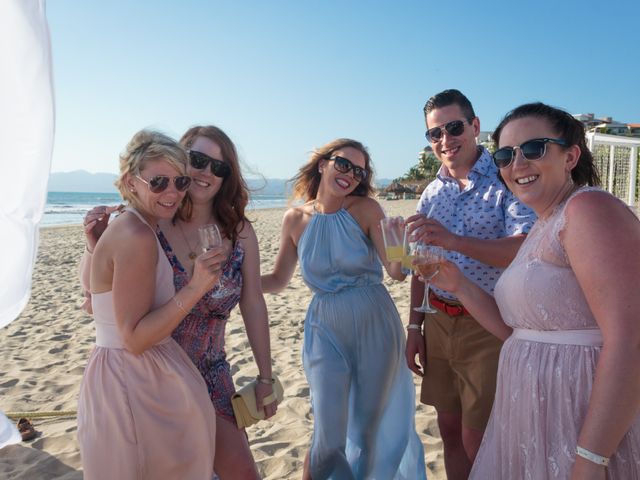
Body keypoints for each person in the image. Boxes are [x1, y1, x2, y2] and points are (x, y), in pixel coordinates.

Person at [428, 102, 640, 479]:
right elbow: (516, 332)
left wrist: (592, 458)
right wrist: (457, 282)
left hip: (581, 416)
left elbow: (631, 339)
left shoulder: (588, 208)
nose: (517, 163)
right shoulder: (544, 224)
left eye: (534, 148)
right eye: (506, 155)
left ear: (570, 155)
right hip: (533, 419)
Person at [81, 125, 276, 479]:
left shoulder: (239, 232)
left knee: (242, 472)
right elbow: (102, 303)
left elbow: (253, 304)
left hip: (211, 372)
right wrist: (95, 246)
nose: (206, 173)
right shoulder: (152, 222)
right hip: (153, 375)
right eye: (198, 161)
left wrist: (265, 376)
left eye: (219, 168)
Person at [262, 139, 427, 479]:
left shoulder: (366, 210)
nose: (350, 174)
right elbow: (278, 279)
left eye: (358, 171)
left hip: (375, 323)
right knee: (327, 433)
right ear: (323, 164)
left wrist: (402, 252)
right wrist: (237, 282)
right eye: (343, 164)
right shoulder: (295, 219)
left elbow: (396, 274)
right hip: (325, 327)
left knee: (366, 431)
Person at [404, 89, 536, 479]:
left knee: (479, 437)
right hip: (439, 322)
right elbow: (419, 268)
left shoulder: (507, 179)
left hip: (489, 324)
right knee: (448, 429)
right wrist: (414, 326)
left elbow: (523, 248)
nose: (445, 140)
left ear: (475, 126)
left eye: (454, 127)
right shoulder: (432, 192)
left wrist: (454, 241)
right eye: (435, 134)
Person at [77, 130, 221, 479]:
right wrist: (197, 286)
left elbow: (94, 306)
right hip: (134, 385)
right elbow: (135, 339)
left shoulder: (135, 226)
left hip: (119, 377)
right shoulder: (138, 234)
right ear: (132, 181)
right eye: (159, 182)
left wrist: (95, 248)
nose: (172, 193)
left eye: (180, 181)